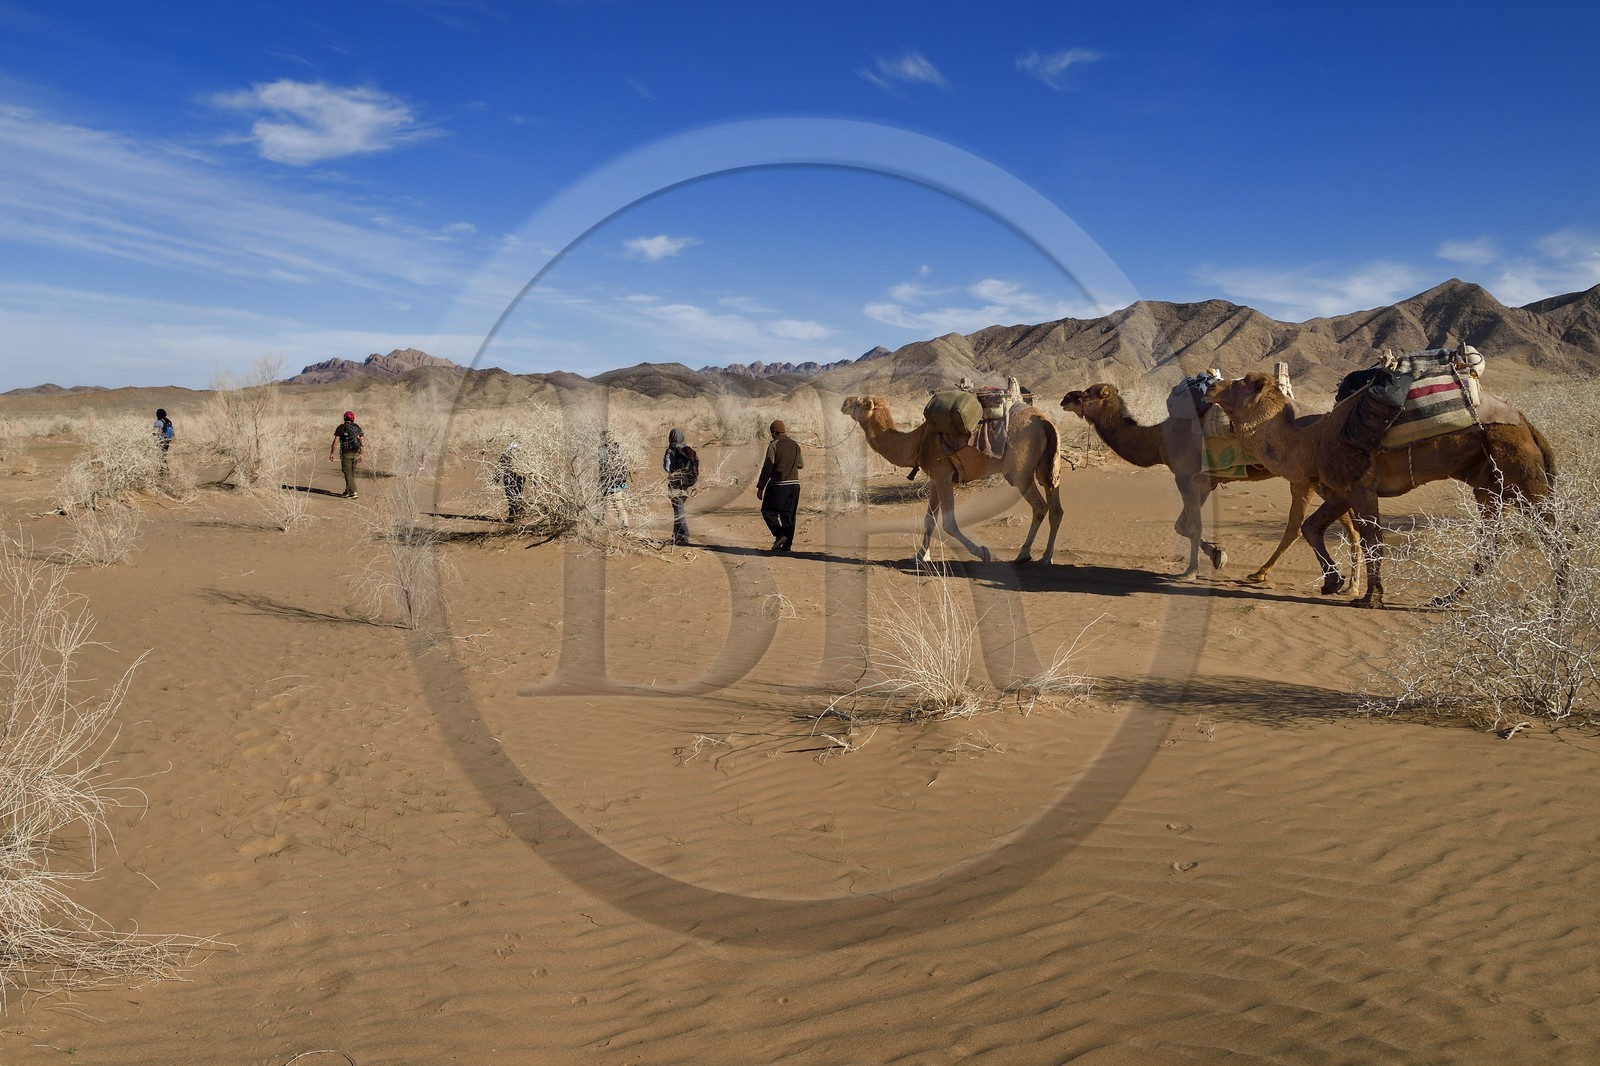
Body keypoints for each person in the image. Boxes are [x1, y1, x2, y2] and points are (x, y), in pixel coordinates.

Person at [755, 419, 802, 552]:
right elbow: (801, 464)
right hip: (795, 485)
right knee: (789, 516)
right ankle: (787, 546)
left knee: (768, 511)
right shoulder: (795, 445)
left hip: (778, 484)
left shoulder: (774, 445)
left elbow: (768, 467)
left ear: (773, 432)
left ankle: (779, 535)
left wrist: (761, 487)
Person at [662, 427, 699, 546]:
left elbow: (667, 468)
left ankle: (683, 537)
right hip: (688, 484)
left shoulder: (671, 450)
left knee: (679, 511)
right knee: (678, 509)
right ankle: (676, 537)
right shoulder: (687, 449)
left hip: (676, 484)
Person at [598, 430, 630, 529]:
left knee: (602, 503)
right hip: (619, 480)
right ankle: (624, 525)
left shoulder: (602, 449)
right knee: (618, 503)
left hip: (607, 480)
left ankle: (599, 523)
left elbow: (602, 465)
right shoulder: (618, 448)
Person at [328, 410, 364, 499]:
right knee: (350, 473)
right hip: (356, 453)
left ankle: (353, 492)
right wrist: (361, 454)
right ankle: (347, 492)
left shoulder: (341, 427)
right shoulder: (357, 427)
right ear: (353, 418)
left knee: (347, 473)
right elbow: (361, 441)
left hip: (346, 453)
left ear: (344, 418)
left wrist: (332, 453)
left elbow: (336, 441)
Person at [495, 440, 528, 523]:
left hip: (514, 476)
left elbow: (501, 463)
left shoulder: (508, 451)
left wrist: (496, 479)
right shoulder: (522, 452)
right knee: (516, 494)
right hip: (518, 475)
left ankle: (514, 514)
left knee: (512, 495)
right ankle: (517, 512)